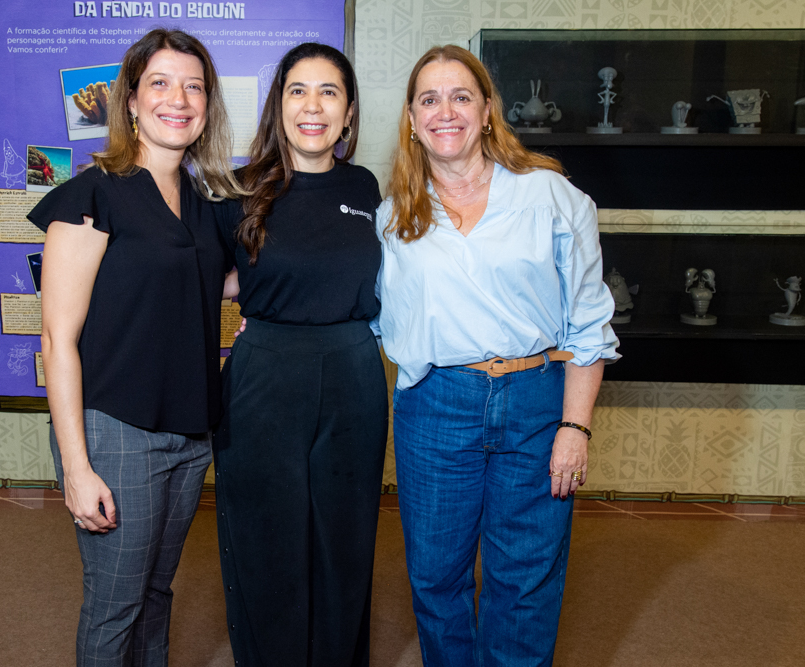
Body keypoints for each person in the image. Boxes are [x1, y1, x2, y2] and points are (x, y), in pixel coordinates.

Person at [374, 45, 619, 667]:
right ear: (410, 117)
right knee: (436, 578)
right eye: (429, 99)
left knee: (526, 579)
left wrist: (574, 426)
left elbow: (590, 322)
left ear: (488, 111)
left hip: (536, 400)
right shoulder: (392, 217)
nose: (445, 111)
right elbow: (360, 308)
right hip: (434, 406)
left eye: (461, 96)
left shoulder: (553, 198)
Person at [27, 29, 243, 666]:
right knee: (115, 604)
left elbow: (228, 285)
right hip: (114, 431)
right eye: (160, 83)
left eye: (193, 86)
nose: (178, 98)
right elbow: (56, 337)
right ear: (129, 102)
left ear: (207, 105)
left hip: (189, 433)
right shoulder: (93, 195)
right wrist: (76, 466)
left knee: (155, 593)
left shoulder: (206, 205)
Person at [212, 42, 387, 667]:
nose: (312, 106)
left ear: (347, 113)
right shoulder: (237, 191)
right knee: (265, 540)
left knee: (345, 539)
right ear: (278, 106)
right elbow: (201, 281)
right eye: (297, 91)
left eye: (329, 92)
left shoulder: (366, 188)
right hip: (264, 376)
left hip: (354, 376)